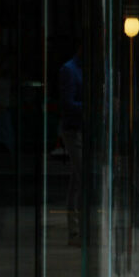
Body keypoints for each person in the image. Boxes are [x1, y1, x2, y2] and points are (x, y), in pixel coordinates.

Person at [59, 46, 83, 246]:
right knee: (81, 177)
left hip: (85, 130)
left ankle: (75, 231)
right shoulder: (69, 69)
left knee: (77, 179)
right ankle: (76, 231)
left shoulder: (86, 69)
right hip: (73, 130)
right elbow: (67, 103)